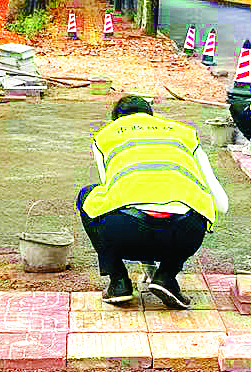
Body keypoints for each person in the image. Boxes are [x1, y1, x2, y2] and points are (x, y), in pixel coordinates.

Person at [77, 96, 228, 309]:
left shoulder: (104, 137)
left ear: (116, 121)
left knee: (88, 196)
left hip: (125, 232)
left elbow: (114, 195)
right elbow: (223, 205)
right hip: (184, 234)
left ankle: (119, 281)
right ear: (151, 117)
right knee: (196, 205)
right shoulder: (184, 134)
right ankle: (166, 276)